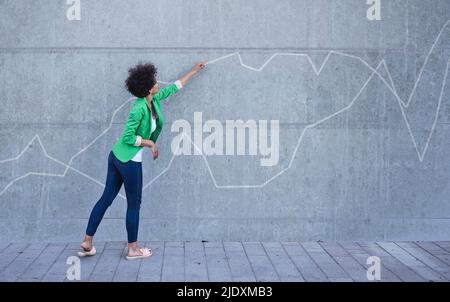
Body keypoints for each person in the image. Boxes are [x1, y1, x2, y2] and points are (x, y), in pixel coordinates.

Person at [78, 61, 206, 260]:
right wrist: (150, 144)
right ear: (147, 87)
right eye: (154, 81)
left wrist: (194, 71)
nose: (157, 82)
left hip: (116, 156)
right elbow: (128, 136)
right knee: (133, 205)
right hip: (128, 161)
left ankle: (87, 241)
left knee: (106, 198)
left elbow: (174, 87)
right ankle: (133, 249)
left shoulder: (152, 99)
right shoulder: (138, 108)